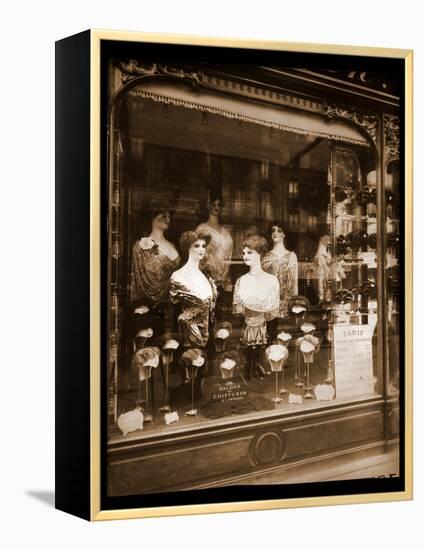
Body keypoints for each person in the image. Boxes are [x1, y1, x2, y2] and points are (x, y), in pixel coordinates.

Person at [233, 235, 280, 377]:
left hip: (264, 328)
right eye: (244, 253)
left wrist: (254, 305)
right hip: (246, 328)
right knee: (248, 353)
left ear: (260, 254)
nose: (245, 256)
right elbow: (239, 308)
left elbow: (271, 308)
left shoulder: (271, 281)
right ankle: (249, 369)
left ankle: (259, 367)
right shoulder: (241, 281)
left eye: (250, 252)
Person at [170, 231, 217, 349]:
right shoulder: (178, 276)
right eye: (196, 246)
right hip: (189, 334)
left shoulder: (206, 275)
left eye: (203, 246)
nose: (201, 249)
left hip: (208, 331)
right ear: (188, 248)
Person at [130, 208, 180, 307]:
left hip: (172, 303)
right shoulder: (141, 246)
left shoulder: (172, 245)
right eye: (164, 216)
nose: (168, 219)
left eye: (169, 217)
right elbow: (136, 279)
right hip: (149, 305)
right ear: (153, 218)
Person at [196, 193, 233, 288]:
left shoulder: (226, 231)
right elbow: (198, 255)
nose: (216, 207)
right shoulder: (202, 229)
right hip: (207, 277)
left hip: (224, 278)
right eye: (214, 204)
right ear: (209, 206)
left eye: (219, 204)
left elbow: (228, 257)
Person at [262, 223, 298, 318]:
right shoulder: (265, 257)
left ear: (284, 234)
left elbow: (294, 283)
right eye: (273, 230)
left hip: (286, 304)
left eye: (279, 230)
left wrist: (294, 303)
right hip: (269, 303)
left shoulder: (291, 256)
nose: (275, 233)